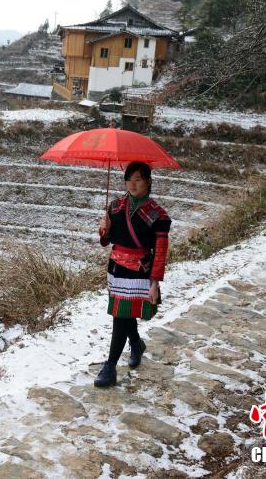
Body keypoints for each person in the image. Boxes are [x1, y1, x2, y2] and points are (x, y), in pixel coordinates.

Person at [94, 161, 171, 387]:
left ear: (148, 181)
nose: (132, 184)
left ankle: (110, 367)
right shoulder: (115, 206)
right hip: (116, 269)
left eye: (138, 179)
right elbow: (106, 241)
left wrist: (154, 283)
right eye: (129, 179)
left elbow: (160, 252)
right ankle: (136, 344)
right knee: (124, 313)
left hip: (138, 271)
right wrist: (104, 229)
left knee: (121, 316)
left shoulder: (158, 215)